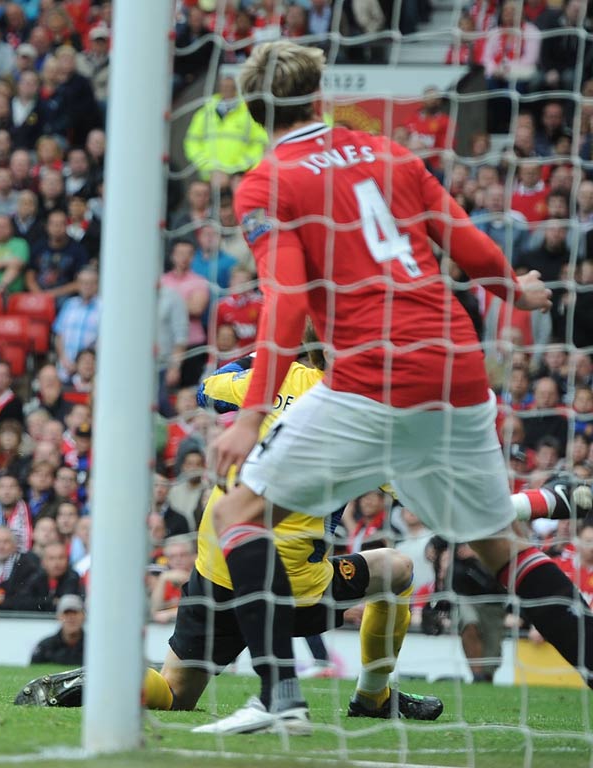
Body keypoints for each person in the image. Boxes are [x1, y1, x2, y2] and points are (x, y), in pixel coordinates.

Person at [206, 41, 593, 734]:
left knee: (237, 515)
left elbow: (287, 303)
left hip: (371, 376)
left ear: (256, 110)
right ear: (318, 92)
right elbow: (464, 240)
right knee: (501, 546)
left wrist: (251, 414)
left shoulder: (267, 181)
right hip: (458, 366)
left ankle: (280, 696)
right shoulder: (389, 153)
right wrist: (514, 288)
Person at [29, 594, 86, 665]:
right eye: (66, 613)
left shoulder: (93, 646)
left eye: (75, 613)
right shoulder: (45, 646)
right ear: (58, 616)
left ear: (83, 616)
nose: (71, 618)